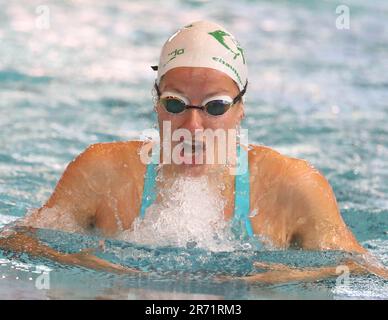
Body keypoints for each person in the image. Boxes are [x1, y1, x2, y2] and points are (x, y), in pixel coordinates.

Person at [0, 21, 386, 282]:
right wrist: (74, 261)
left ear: (240, 109)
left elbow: (368, 271)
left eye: (215, 107)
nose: (193, 126)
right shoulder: (103, 172)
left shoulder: (291, 186)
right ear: (156, 103)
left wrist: (302, 275)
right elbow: (16, 241)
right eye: (175, 104)